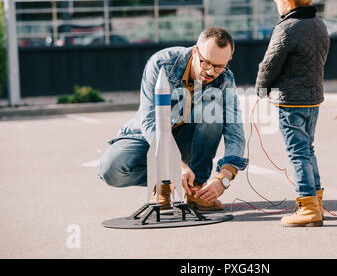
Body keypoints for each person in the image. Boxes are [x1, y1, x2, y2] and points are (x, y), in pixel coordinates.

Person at [98, 27, 248, 211]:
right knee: (110, 170)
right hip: (149, 137)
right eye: (206, 63)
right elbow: (150, 122)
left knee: (212, 108)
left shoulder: (225, 80)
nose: (210, 72)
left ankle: (197, 190)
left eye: (219, 66)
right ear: (195, 51)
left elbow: (235, 133)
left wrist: (223, 179)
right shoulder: (162, 64)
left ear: (228, 61)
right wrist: (174, 166)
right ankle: (163, 183)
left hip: (187, 140)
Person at [255, 0, 330, 227]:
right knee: (307, 149)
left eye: (276, 1)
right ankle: (317, 200)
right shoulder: (320, 25)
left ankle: (307, 205)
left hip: (290, 100)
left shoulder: (286, 27)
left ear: (286, 2)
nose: (276, 5)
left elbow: (269, 63)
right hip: (313, 99)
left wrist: (261, 87)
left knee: (297, 153)